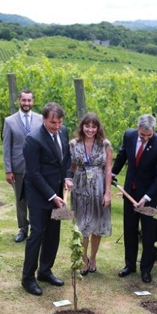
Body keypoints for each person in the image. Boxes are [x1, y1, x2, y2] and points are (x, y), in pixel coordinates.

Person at [21, 102, 73, 296]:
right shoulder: (32, 140)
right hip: (39, 196)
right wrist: (52, 196)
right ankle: (28, 278)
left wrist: (68, 177)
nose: (57, 126)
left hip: (58, 193)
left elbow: (65, 159)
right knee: (37, 234)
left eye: (59, 122)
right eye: (53, 122)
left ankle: (45, 271)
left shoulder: (64, 131)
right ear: (43, 119)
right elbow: (33, 173)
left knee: (53, 234)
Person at [112, 114, 157, 284]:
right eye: (142, 135)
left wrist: (147, 197)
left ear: (153, 130)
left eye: (149, 136)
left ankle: (146, 269)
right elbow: (122, 156)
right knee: (129, 229)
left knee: (148, 233)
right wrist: (113, 173)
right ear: (138, 129)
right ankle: (130, 265)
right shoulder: (129, 135)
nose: (145, 139)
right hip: (130, 192)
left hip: (149, 196)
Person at [69, 112, 113, 276]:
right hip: (80, 187)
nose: (90, 129)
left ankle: (93, 258)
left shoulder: (105, 144)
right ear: (82, 126)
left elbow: (108, 169)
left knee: (97, 224)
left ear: (98, 128)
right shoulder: (73, 144)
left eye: (93, 126)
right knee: (82, 225)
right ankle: (83, 259)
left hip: (99, 188)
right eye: (87, 126)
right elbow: (71, 166)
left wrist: (107, 193)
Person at [3, 90, 43, 243]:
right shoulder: (9, 121)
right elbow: (7, 147)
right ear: (19, 100)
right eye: (24, 100)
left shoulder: (40, 119)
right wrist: (8, 170)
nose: (26, 103)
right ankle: (23, 228)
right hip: (18, 167)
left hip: (36, 168)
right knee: (20, 199)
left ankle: (36, 228)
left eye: (29, 101)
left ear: (33, 101)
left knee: (36, 199)